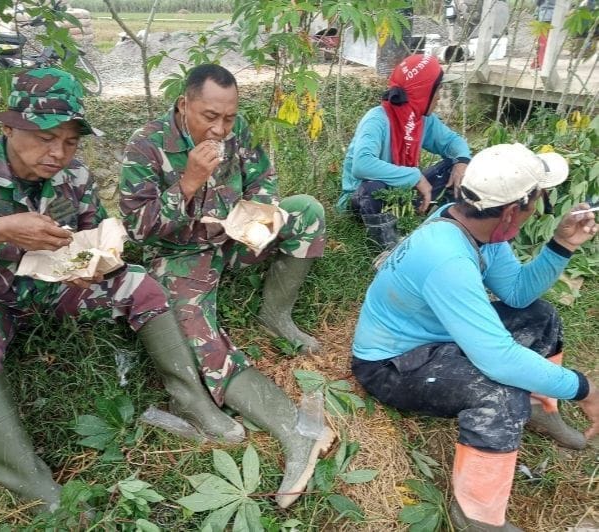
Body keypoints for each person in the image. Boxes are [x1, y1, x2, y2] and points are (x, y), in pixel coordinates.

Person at [0, 67, 246, 512]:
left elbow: (93, 234)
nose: (57, 153)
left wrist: (93, 261)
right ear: (8, 126)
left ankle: (191, 398)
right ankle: (24, 475)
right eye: (44, 137)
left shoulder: (73, 176)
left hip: (53, 288)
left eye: (70, 141)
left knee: (143, 285)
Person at [350, 143, 598, 531]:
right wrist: (585, 389)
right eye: (539, 201)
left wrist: (561, 245)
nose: (539, 209)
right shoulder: (448, 257)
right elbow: (497, 359)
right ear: (512, 211)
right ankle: (475, 517)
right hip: (390, 364)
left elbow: (516, 293)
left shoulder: (475, 229)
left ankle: (539, 409)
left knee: (542, 317)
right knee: (499, 392)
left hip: (436, 339)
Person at [119, 64, 333, 508]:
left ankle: (276, 315)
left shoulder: (237, 131)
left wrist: (263, 213)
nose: (219, 128)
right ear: (184, 105)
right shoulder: (146, 145)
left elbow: (263, 179)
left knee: (307, 211)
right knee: (200, 337)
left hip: (236, 236)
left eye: (228, 118)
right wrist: (189, 181)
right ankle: (294, 427)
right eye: (209, 116)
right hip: (182, 254)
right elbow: (140, 230)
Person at [338, 54, 472, 249]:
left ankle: (448, 231)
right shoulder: (377, 119)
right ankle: (387, 250)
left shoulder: (421, 120)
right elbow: (362, 164)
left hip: (403, 194)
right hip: (363, 200)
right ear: (424, 92)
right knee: (373, 189)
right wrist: (415, 177)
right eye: (438, 89)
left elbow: (453, 142)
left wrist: (461, 161)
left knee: (460, 167)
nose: (439, 96)